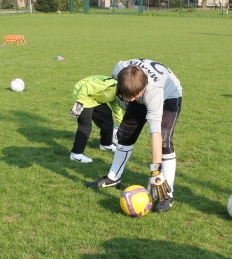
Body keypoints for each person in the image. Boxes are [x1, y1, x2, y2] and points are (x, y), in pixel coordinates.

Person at [87, 59, 183, 213]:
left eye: (135, 95)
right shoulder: (119, 70)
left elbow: (156, 135)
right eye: (129, 96)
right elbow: (126, 93)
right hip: (139, 91)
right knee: (125, 134)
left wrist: (155, 172)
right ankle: (113, 178)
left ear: (142, 88)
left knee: (164, 140)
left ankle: (167, 193)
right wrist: (127, 97)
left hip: (168, 97)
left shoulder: (153, 91)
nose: (131, 99)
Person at [68, 74, 124, 163]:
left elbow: (116, 107)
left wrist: (122, 123)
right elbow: (87, 86)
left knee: (107, 117)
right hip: (83, 94)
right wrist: (79, 103)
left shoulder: (118, 93)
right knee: (85, 125)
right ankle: (76, 154)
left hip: (95, 98)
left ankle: (106, 144)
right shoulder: (110, 85)